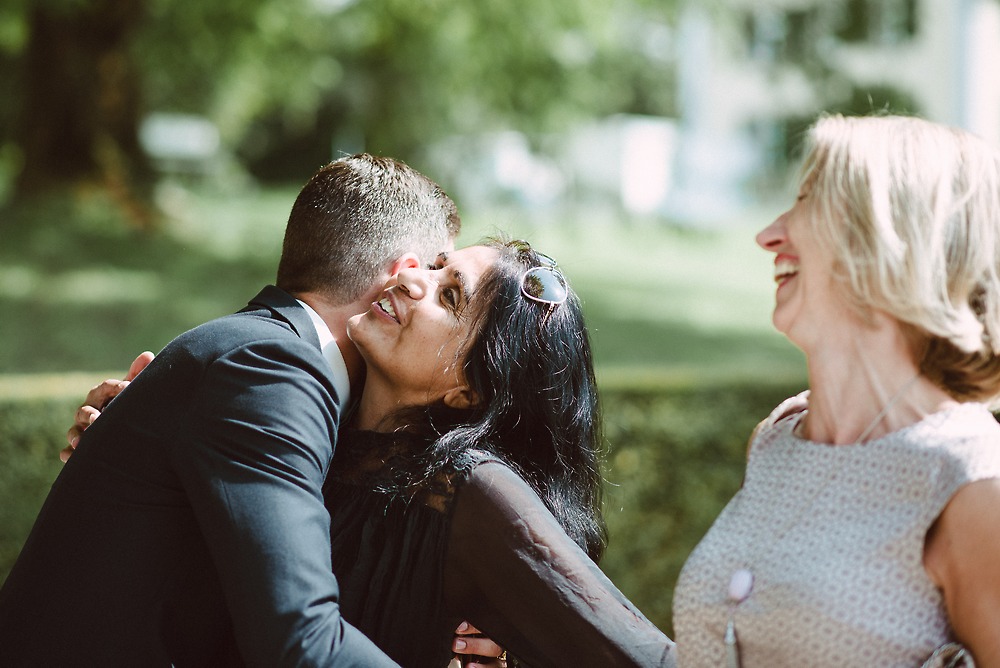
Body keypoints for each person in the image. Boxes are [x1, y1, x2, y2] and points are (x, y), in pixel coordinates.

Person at [66, 239, 678, 667]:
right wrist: (138, 440)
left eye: (449, 297)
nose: (411, 280)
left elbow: (642, 658)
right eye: (438, 267)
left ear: (468, 389)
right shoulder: (305, 437)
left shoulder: (465, 492)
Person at [0, 153, 496, 666]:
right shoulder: (272, 370)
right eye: (440, 272)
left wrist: (463, 629)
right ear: (404, 275)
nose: (428, 289)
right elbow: (302, 641)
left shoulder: (262, 362)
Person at [672, 114, 1000, 665]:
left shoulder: (969, 483)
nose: (768, 235)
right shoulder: (777, 441)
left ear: (890, 238)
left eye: (807, 201)